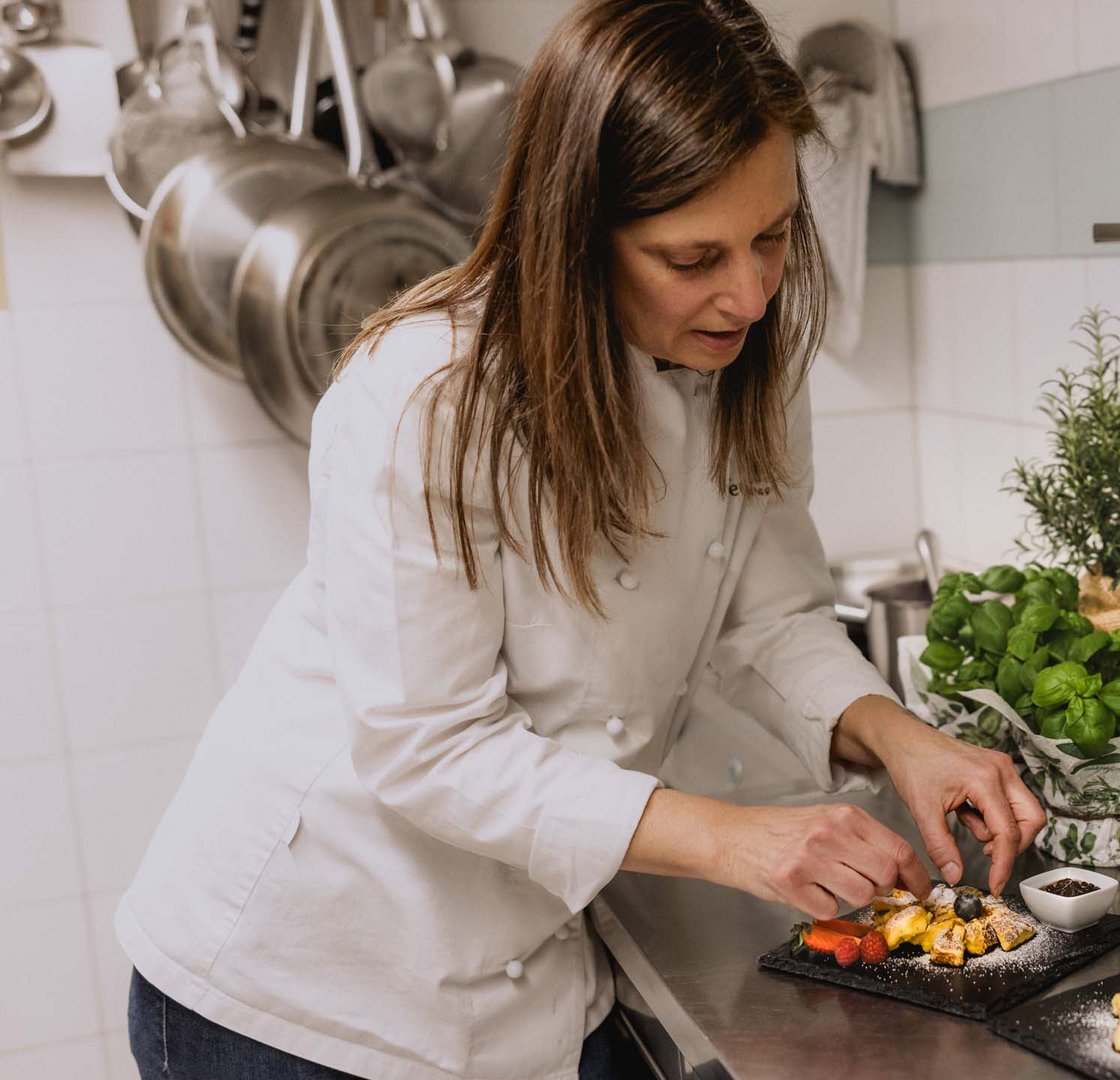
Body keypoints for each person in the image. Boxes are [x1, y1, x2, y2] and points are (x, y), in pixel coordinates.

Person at [117, 2, 1044, 1077]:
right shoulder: (427, 394)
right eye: (691, 256)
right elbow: (430, 745)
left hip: (536, 965)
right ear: (575, 231)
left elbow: (770, 608)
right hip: (311, 981)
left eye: (773, 235)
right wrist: (740, 841)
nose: (747, 292)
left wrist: (897, 734)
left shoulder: (739, 349)